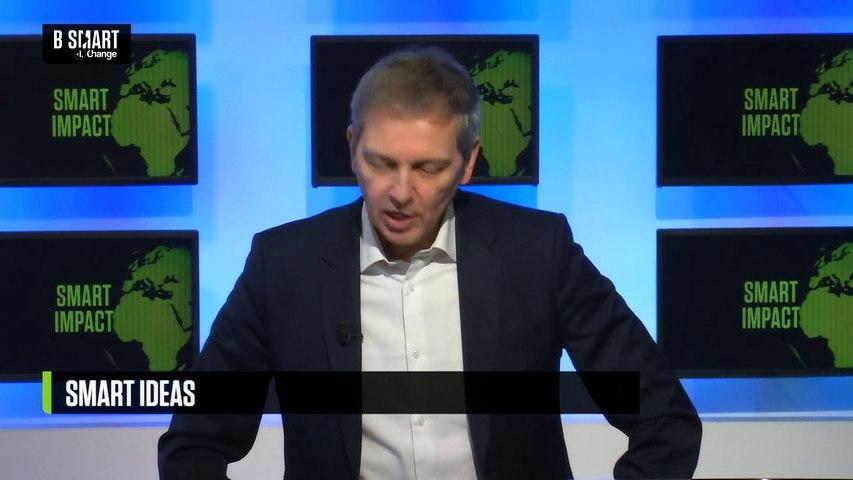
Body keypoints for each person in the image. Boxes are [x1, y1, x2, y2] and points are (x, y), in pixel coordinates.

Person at [159, 46, 701, 479]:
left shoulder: (538, 254)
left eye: (427, 168)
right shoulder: (284, 266)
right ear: (352, 147)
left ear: (468, 162)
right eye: (381, 163)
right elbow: (193, 442)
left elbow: (665, 421)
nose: (400, 192)